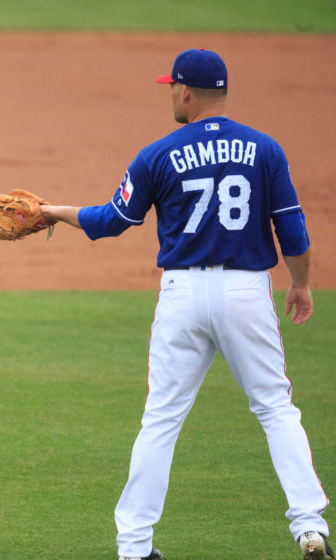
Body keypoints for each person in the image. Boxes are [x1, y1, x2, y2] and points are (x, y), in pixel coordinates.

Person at [39, 49, 331, 560]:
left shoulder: (158, 153)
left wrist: (53, 212)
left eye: (171, 87)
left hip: (182, 295)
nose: (170, 95)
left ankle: (134, 546)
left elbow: (113, 220)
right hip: (246, 293)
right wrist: (301, 284)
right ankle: (310, 528)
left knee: (162, 418)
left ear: (187, 92)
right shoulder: (266, 150)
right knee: (275, 409)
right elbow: (294, 233)